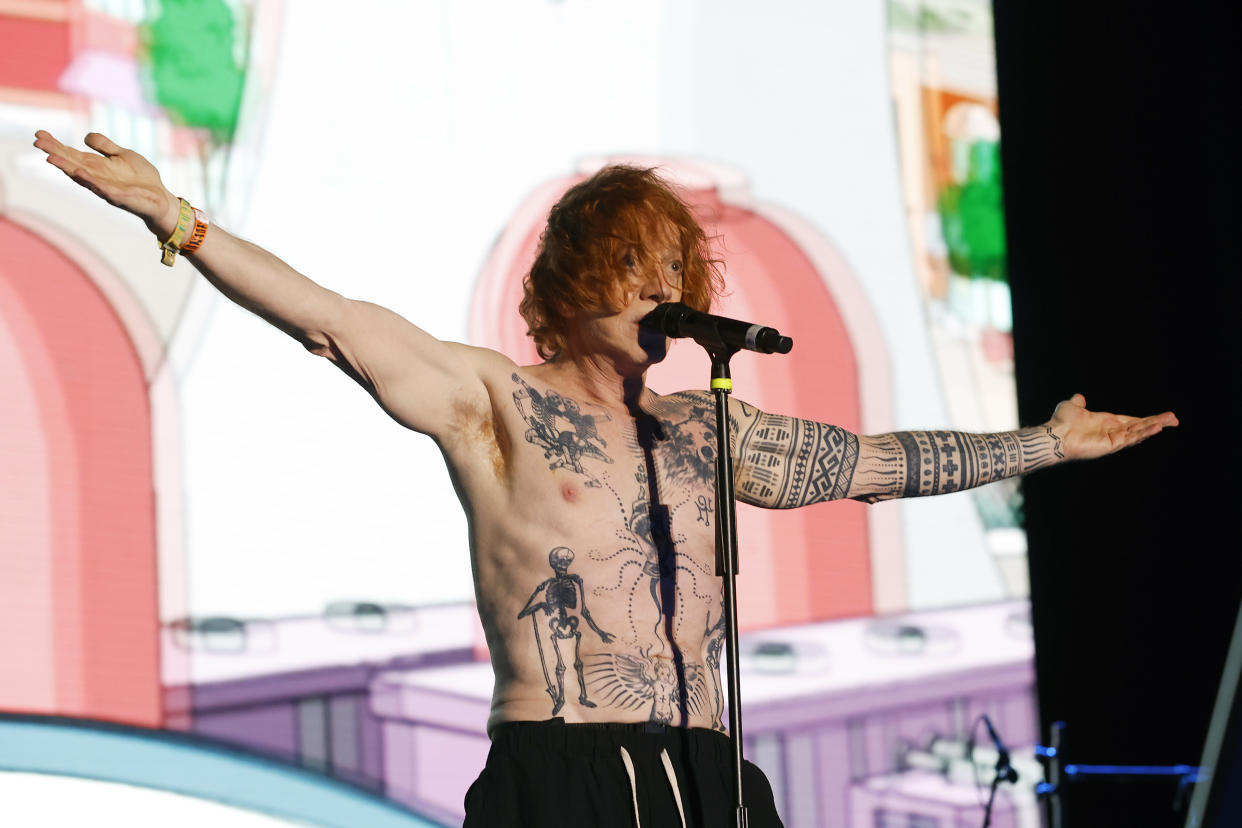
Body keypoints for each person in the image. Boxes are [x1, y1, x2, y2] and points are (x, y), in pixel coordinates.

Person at [33, 131, 1177, 828]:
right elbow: (332, 323)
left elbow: (872, 468)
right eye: (632, 265)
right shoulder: (497, 402)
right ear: (571, 283)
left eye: (672, 269)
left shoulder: (705, 425)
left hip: (710, 771)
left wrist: (1043, 445)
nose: (656, 288)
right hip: (564, 768)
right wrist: (176, 218)